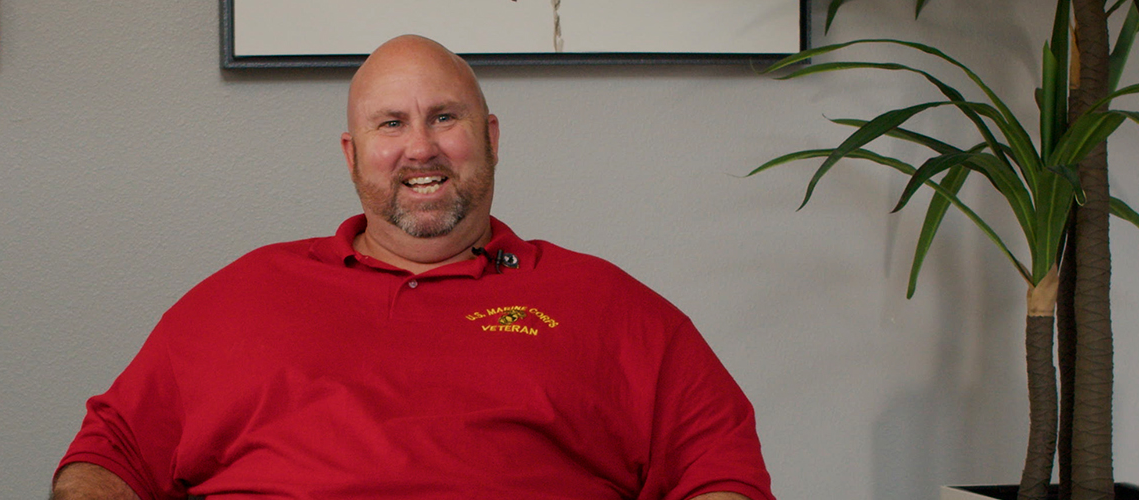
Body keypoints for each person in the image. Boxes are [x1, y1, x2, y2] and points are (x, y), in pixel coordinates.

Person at [51, 35, 773, 500]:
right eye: (390, 124)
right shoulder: (243, 296)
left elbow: (723, 470)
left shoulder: (605, 303)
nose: (420, 148)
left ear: (490, 139)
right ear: (352, 154)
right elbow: (106, 456)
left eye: (445, 119)